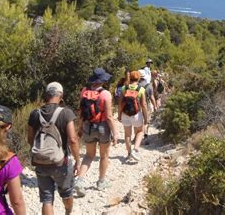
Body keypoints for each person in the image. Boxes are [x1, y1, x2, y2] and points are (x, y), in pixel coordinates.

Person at [28, 82, 80, 215]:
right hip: (61, 162)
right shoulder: (66, 113)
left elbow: (30, 139)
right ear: (60, 95)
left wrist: (42, 152)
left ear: (46, 95)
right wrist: (77, 160)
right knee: (67, 193)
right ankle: (68, 212)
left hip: (40, 162)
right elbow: (73, 140)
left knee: (47, 199)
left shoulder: (35, 114)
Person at [75, 68, 118, 197]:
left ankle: (80, 180)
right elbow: (109, 117)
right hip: (103, 127)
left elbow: (81, 112)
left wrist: (80, 128)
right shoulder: (106, 94)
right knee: (104, 156)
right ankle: (101, 182)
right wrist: (115, 133)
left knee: (89, 155)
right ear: (103, 80)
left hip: (88, 126)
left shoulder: (84, 92)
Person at [117, 71, 148, 161]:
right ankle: (135, 150)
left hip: (125, 114)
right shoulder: (141, 89)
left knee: (127, 135)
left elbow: (120, 103)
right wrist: (146, 118)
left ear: (130, 78)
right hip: (136, 114)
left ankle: (129, 153)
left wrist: (119, 115)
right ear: (138, 79)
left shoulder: (124, 88)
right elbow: (144, 104)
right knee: (140, 132)